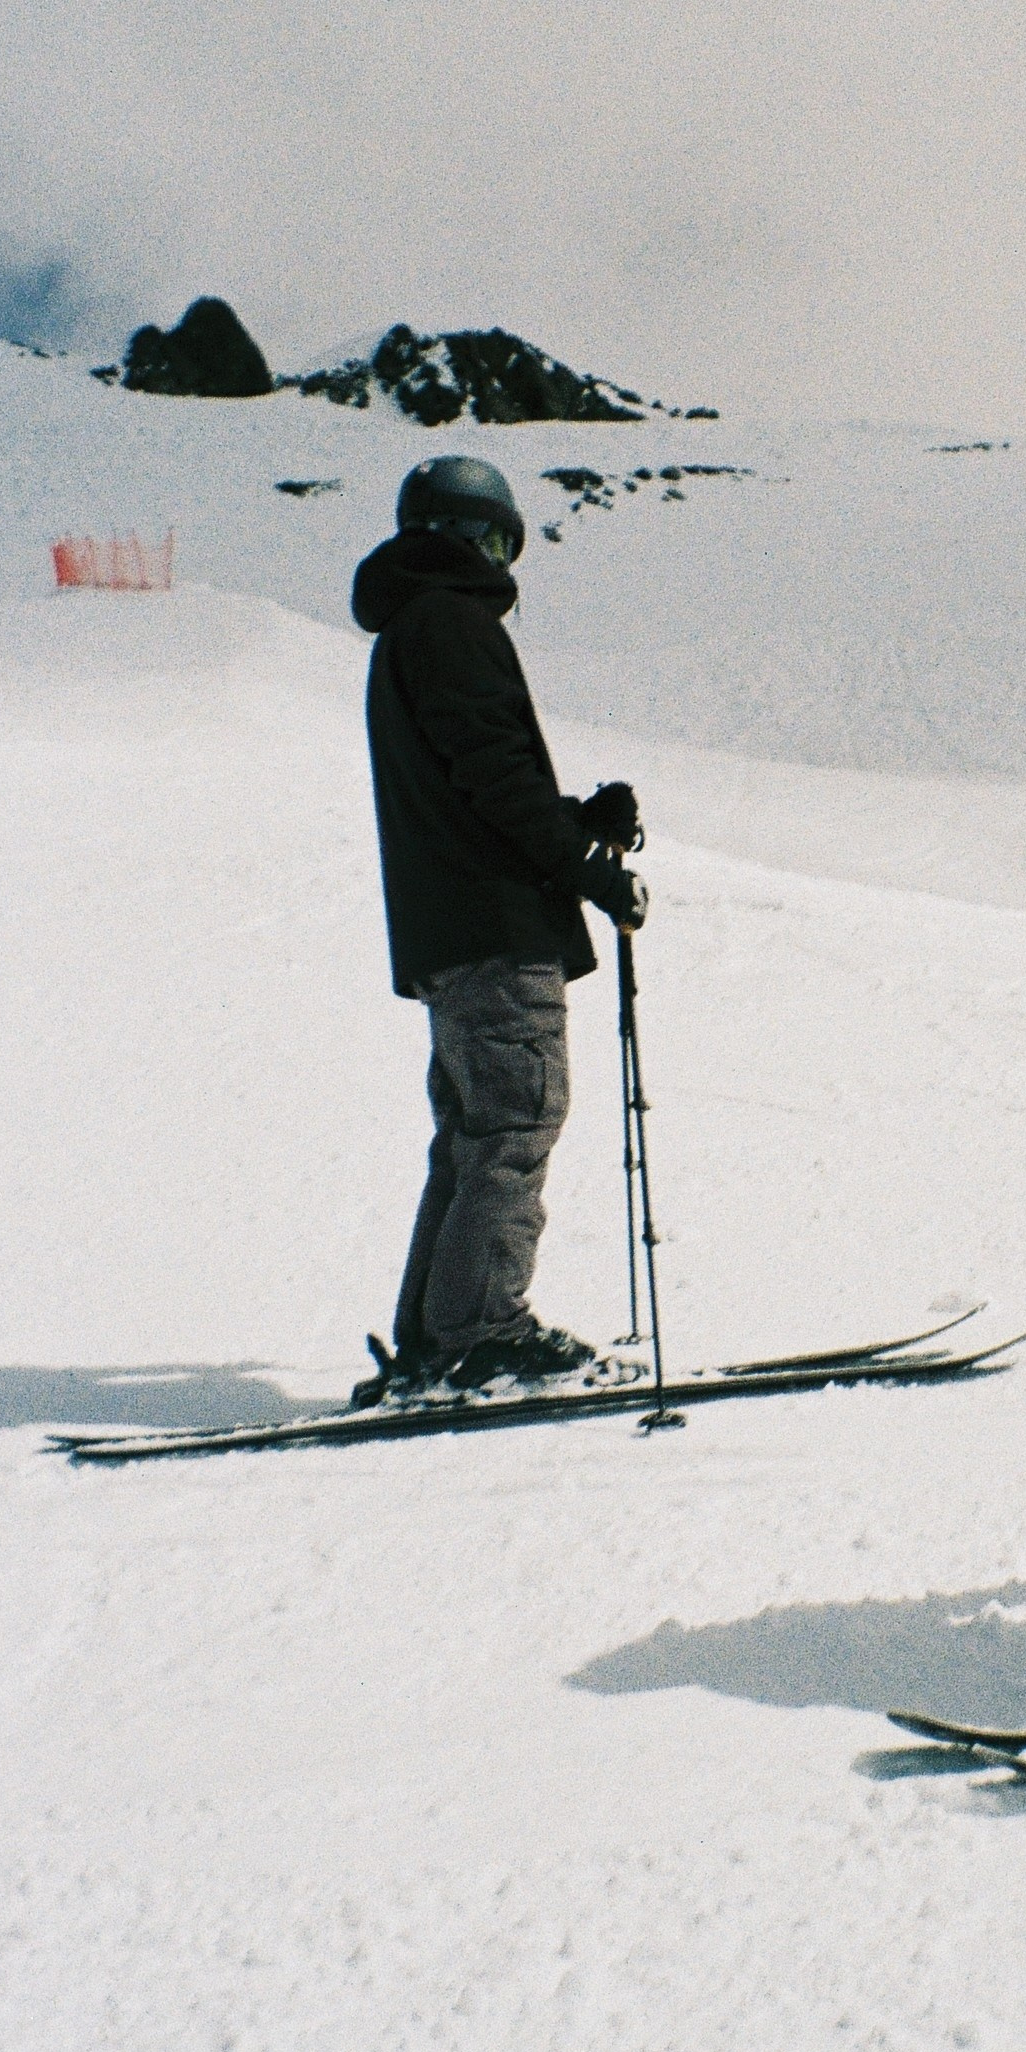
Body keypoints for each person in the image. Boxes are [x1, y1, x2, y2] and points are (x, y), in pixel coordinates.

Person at [350, 454, 648, 1396]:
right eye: (479, 537)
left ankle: (440, 1339)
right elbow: (493, 784)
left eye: (501, 542)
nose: (492, 558)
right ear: (436, 535)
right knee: (514, 1124)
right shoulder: (450, 621)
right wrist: (589, 868)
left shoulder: (410, 629)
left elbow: (476, 782)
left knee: (479, 1134)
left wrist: (577, 822)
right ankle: (480, 1331)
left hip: (453, 930)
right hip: (494, 928)